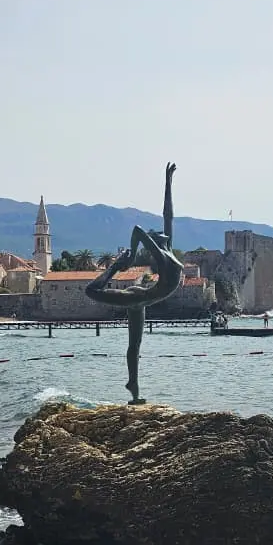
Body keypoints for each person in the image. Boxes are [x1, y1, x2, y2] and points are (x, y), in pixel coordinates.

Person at [85, 163, 182, 403]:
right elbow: (138, 231)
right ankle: (113, 268)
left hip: (142, 298)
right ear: (156, 241)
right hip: (136, 297)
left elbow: (168, 214)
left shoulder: (168, 248)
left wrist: (168, 180)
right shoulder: (161, 255)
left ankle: (133, 387)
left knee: (135, 345)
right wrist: (126, 260)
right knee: (91, 291)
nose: (163, 232)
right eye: (158, 234)